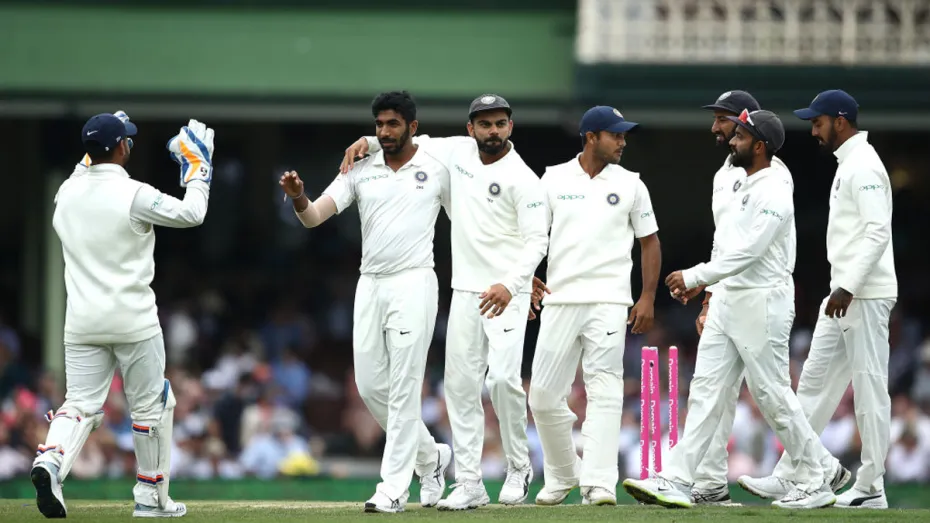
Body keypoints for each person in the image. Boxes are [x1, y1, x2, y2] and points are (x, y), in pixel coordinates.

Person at [340, 94, 550, 510]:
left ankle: (518, 466)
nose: (492, 131)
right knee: (460, 386)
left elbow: (536, 241)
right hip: (466, 289)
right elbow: (408, 140)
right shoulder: (456, 151)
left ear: (511, 127)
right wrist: (368, 140)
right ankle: (469, 482)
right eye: (484, 124)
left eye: (500, 123)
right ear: (471, 128)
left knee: (502, 381)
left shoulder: (524, 179)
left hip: (506, 292)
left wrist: (514, 284)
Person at [623, 109, 839, 509]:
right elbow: (726, 243)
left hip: (762, 299)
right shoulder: (736, 178)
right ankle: (676, 478)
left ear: (759, 145)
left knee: (771, 393)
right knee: (705, 391)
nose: (731, 141)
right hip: (728, 298)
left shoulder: (775, 187)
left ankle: (817, 475)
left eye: (740, 136)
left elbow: (750, 251)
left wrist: (696, 275)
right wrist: (709, 289)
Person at [32, 112, 215, 518]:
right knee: (151, 407)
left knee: (79, 403)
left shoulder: (66, 192)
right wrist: (199, 168)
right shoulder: (135, 193)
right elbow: (192, 214)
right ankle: (151, 498)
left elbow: (85, 166)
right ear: (121, 148)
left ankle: (51, 459)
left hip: (82, 322)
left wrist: (99, 139)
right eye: (126, 140)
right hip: (133, 320)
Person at [279, 91, 452, 513]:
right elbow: (314, 216)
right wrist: (299, 196)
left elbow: (466, 218)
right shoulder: (359, 167)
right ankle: (431, 458)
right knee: (371, 387)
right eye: (378, 125)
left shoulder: (436, 165)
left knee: (405, 388)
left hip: (414, 280)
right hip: (370, 283)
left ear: (412, 127)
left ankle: (393, 489)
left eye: (393, 124)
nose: (384, 131)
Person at [737, 90, 896, 509]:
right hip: (843, 292)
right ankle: (794, 472)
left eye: (818, 123)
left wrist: (849, 286)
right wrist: (842, 287)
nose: (813, 131)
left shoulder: (864, 164)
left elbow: (878, 231)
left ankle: (871, 486)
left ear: (840, 121)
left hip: (863, 293)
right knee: (812, 383)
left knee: (869, 388)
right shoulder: (849, 163)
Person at [528, 106, 661, 506]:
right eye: (615, 135)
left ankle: (599, 483)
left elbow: (650, 241)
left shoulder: (632, 183)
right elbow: (532, 235)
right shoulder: (553, 178)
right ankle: (564, 472)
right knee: (542, 396)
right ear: (590, 137)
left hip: (609, 300)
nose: (622, 142)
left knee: (605, 390)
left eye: (624, 135)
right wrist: (525, 275)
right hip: (560, 298)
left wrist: (647, 296)